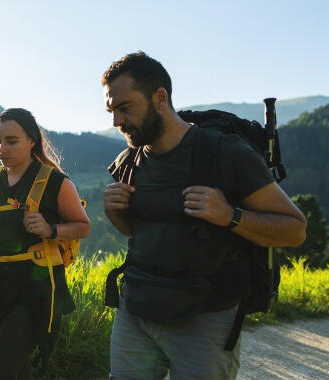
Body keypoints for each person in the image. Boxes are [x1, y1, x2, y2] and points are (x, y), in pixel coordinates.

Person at [101, 51, 307, 379]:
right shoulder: (130, 160)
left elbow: (295, 229)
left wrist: (230, 215)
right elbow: (137, 232)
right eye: (111, 110)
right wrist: (114, 212)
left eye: (125, 108)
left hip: (205, 318)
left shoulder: (225, 153)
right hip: (136, 310)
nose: (116, 122)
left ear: (159, 97)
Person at [0, 108, 90, 379]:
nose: (1, 148)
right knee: (18, 371)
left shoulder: (55, 182)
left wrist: (50, 228)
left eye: (11, 141)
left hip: (36, 289)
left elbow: (83, 226)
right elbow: (0, 229)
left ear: (32, 140)